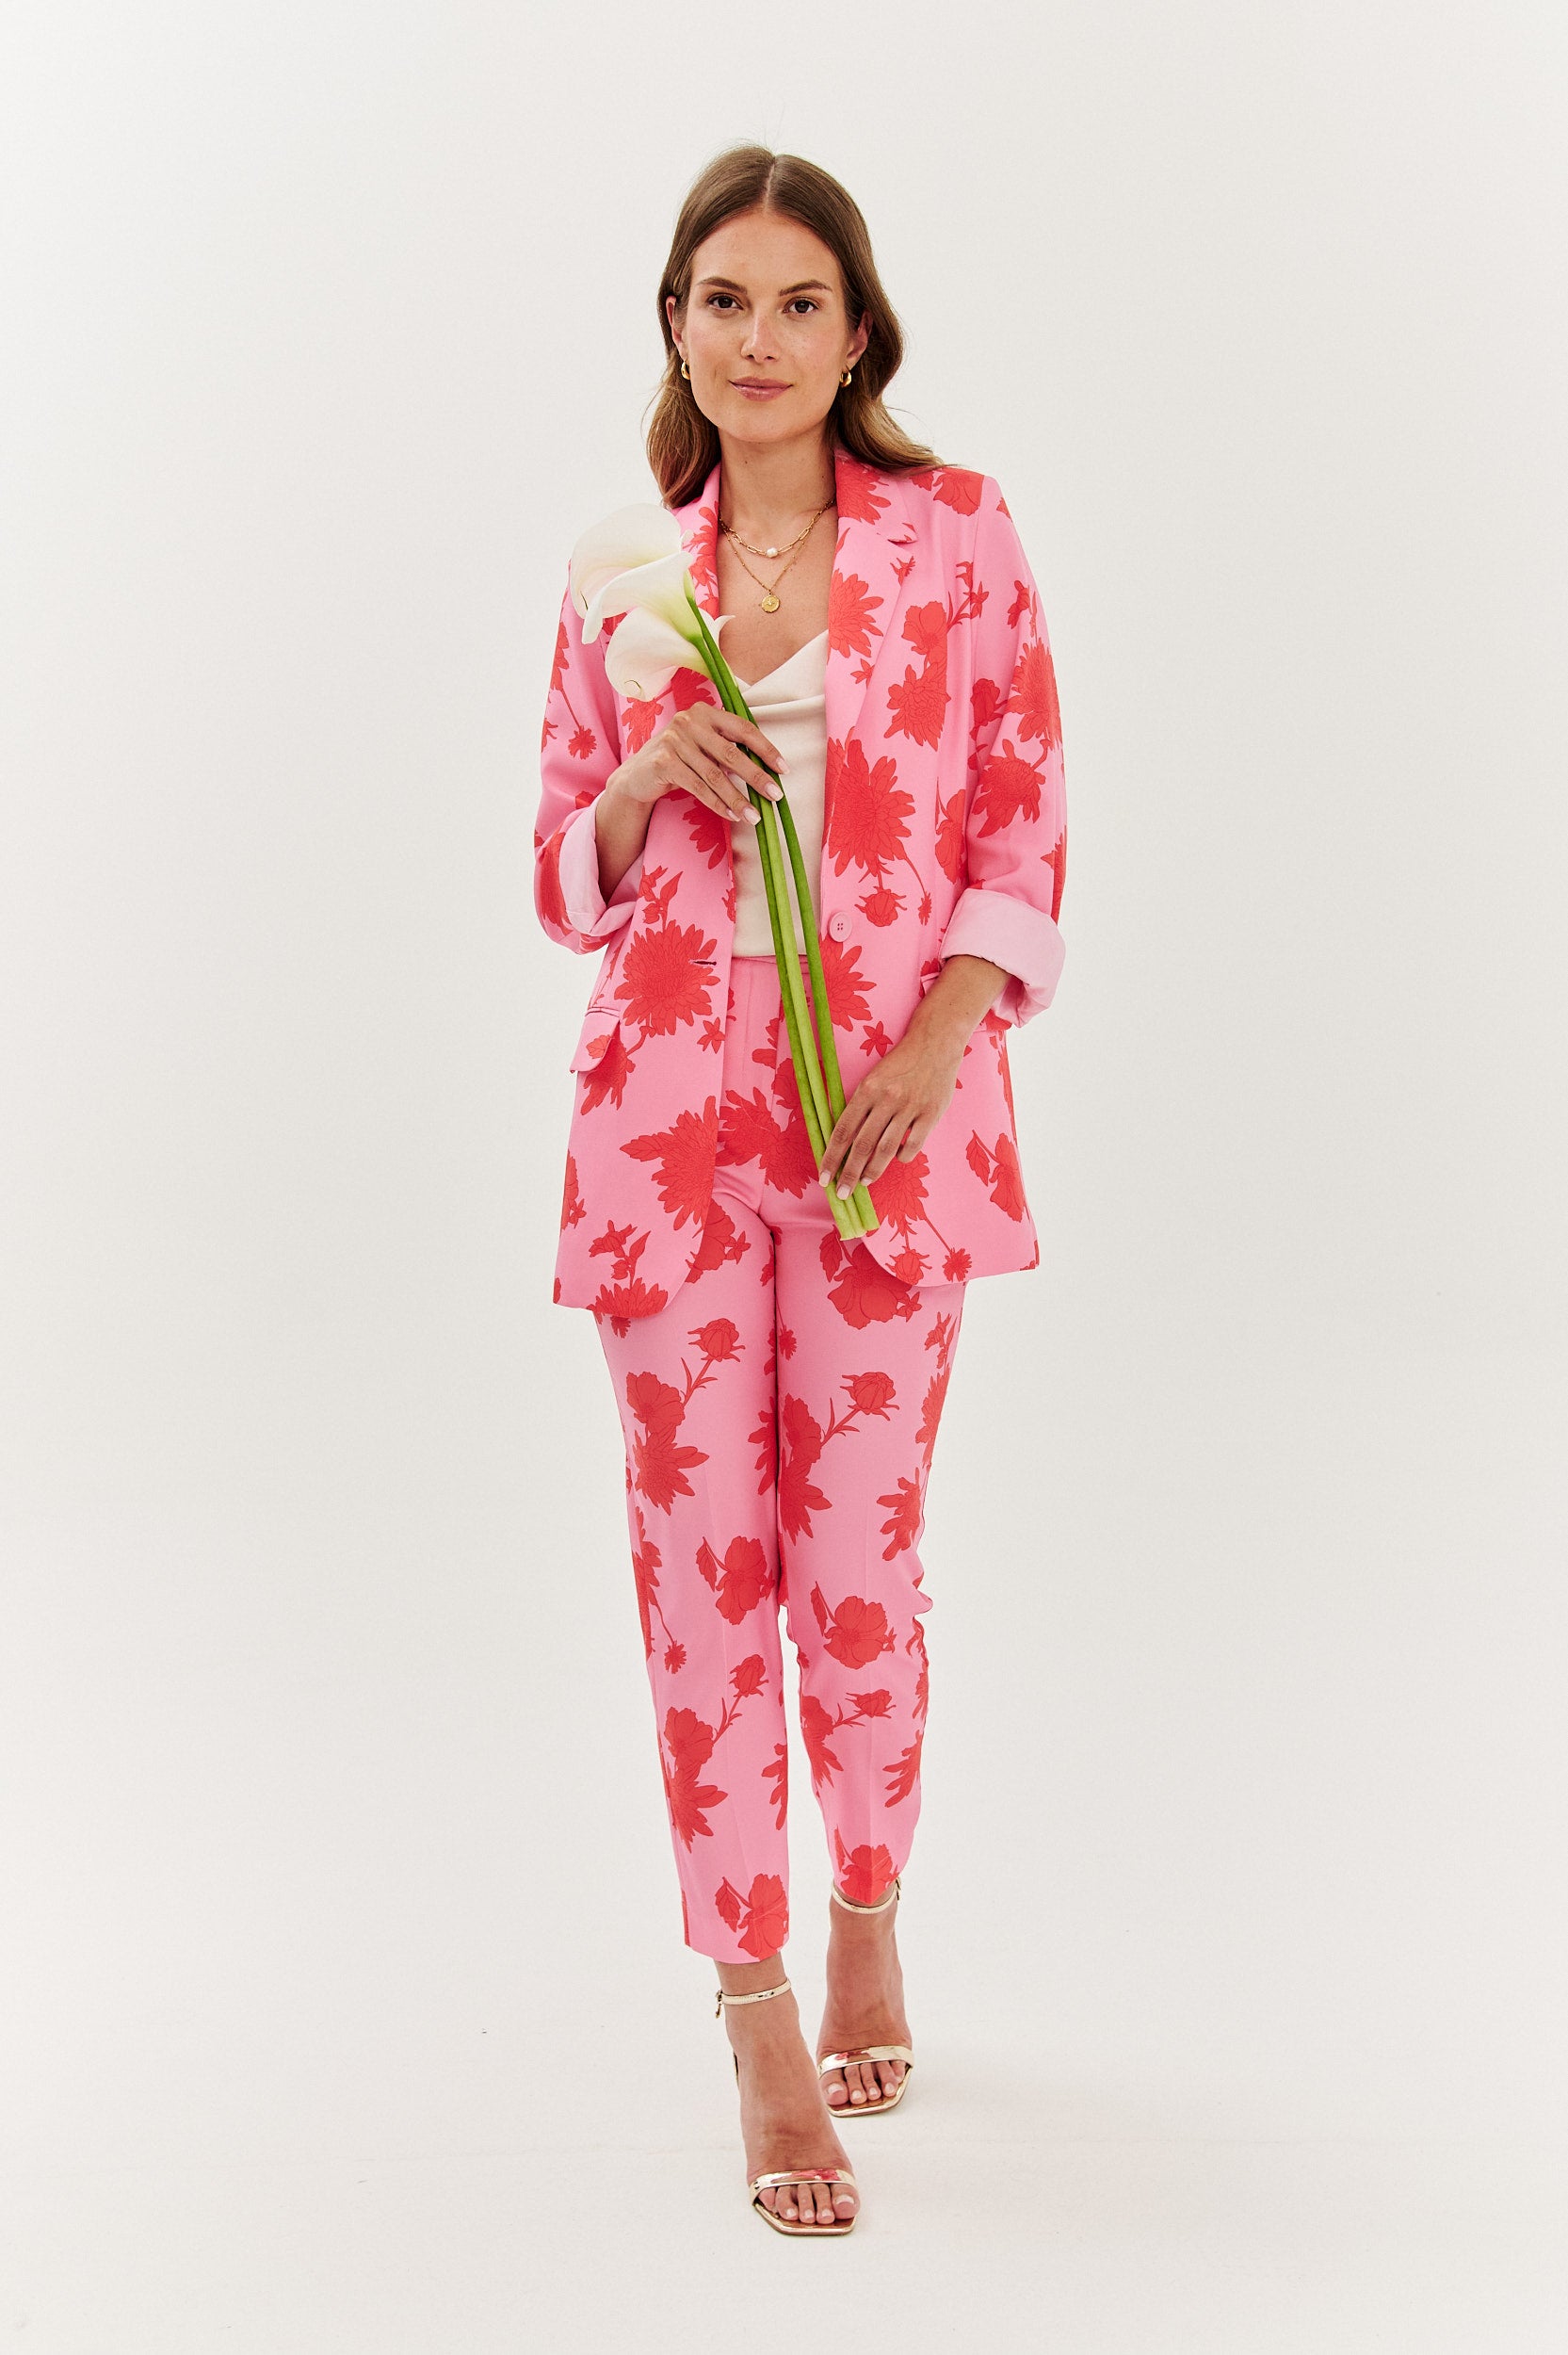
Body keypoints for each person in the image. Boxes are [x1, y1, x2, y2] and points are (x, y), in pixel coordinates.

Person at [534, 144, 1067, 2237]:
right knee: (699, 1573)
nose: (753, 337)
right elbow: (557, 871)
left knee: (855, 1562)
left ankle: (865, 1900)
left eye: (795, 302)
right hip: (663, 1128)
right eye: (718, 299)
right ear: (675, 327)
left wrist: (940, 1043)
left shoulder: (957, 537)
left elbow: (1021, 816)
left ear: (855, 337)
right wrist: (637, 781)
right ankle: (752, 2004)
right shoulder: (618, 573)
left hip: (881, 1135)